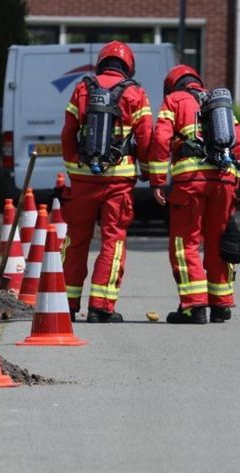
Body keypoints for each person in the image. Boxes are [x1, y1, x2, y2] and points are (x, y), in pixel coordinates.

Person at [60, 41, 153, 323]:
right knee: (113, 240)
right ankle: (101, 306)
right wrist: (148, 170)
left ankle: (66, 303)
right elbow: (146, 137)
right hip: (119, 178)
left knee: (76, 240)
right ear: (128, 66)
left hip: (83, 178)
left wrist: (75, 168)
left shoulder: (82, 88)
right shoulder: (136, 93)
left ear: (101, 62)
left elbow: (68, 133)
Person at [147, 64, 240, 324]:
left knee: (186, 243)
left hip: (190, 183)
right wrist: (233, 181)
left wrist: (157, 180)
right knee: (219, 242)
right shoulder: (218, 102)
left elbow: (160, 140)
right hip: (223, 182)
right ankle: (220, 304)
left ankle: (194, 307)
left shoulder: (174, 101)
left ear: (172, 86)